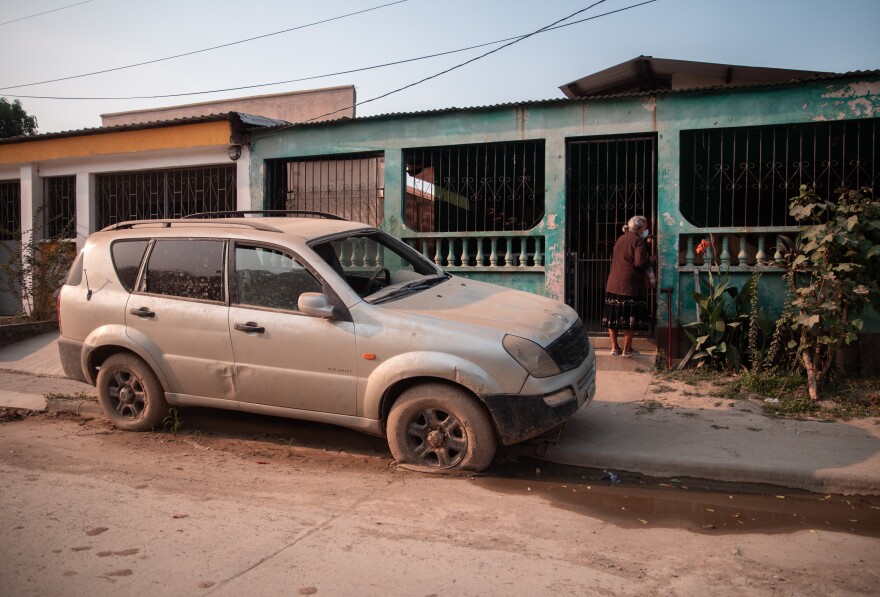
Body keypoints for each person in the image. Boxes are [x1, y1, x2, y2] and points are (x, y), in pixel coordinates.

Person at [602, 215, 654, 357]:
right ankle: (627, 349)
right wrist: (650, 259)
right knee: (630, 317)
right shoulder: (638, 241)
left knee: (613, 317)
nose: (647, 230)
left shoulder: (620, 239)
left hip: (613, 283)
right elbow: (640, 263)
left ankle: (615, 347)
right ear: (638, 228)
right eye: (645, 227)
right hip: (630, 285)